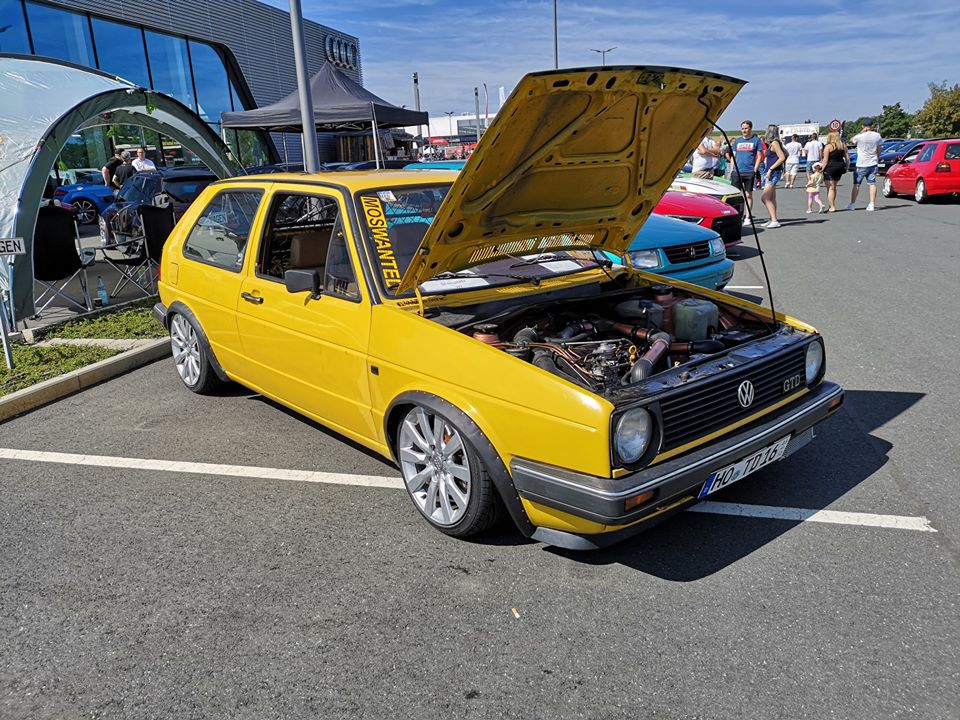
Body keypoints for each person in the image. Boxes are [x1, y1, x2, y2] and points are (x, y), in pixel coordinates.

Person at [727, 120, 763, 224]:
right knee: (734, 195)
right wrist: (732, 169)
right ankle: (735, 216)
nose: (744, 130)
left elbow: (759, 156)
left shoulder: (756, 141)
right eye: (742, 128)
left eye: (746, 128)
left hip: (749, 171)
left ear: (750, 128)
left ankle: (747, 217)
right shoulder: (737, 141)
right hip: (737, 172)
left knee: (748, 195)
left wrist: (755, 169)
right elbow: (733, 156)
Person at [847, 119, 883, 211]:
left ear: (863, 126)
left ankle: (852, 204)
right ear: (872, 126)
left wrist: (861, 132)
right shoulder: (877, 135)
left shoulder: (860, 136)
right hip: (872, 162)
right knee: (872, 183)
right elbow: (879, 149)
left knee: (856, 184)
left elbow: (851, 140)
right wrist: (877, 158)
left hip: (861, 163)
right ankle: (872, 204)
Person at [759, 124, 786, 228]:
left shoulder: (775, 143)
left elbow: (782, 157)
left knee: (765, 198)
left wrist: (770, 169)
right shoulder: (773, 143)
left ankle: (774, 220)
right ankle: (772, 218)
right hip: (772, 172)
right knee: (771, 197)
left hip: (773, 172)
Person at [820, 131, 849, 212]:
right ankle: (831, 204)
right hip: (840, 167)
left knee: (830, 188)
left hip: (830, 168)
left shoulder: (828, 147)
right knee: (833, 187)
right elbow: (847, 158)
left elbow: (825, 160)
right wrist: (847, 167)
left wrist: (821, 169)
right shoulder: (843, 146)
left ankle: (832, 206)